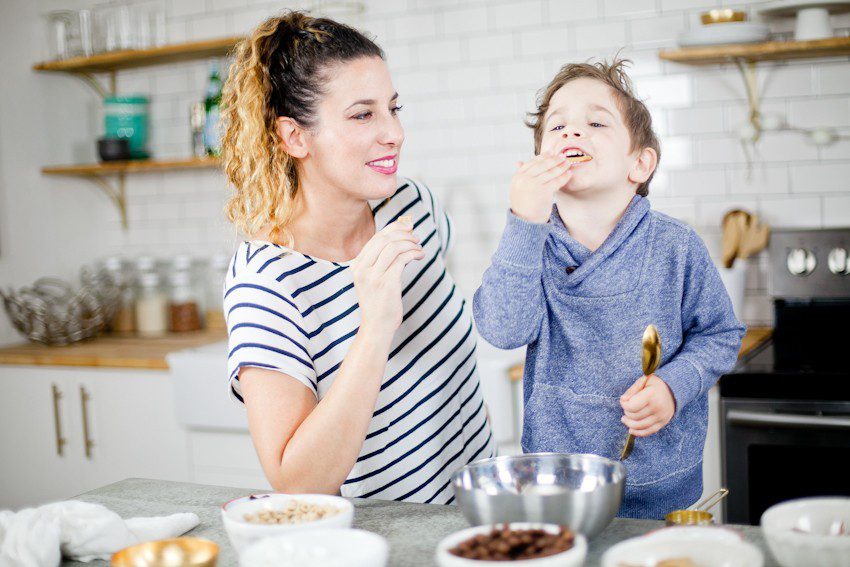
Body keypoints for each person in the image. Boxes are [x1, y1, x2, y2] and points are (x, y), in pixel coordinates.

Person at [221, 11, 495, 503]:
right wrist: (375, 328)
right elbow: (298, 481)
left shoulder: (413, 207)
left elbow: (443, 376)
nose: (394, 133)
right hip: (382, 546)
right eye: (363, 114)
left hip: (480, 527)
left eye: (394, 108)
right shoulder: (266, 281)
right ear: (295, 137)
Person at [472, 59, 745, 519]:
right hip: (558, 488)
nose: (571, 132)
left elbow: (720, 335)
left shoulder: (675, 246)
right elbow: (502, 329)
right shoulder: (529, 242)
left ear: (640, 163)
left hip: (663, 490)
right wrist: (523, 221)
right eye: (556, 125)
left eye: (595, 122)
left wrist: (673, 387)